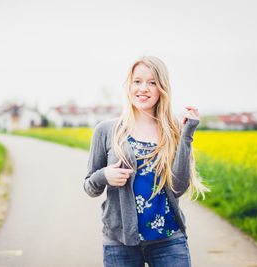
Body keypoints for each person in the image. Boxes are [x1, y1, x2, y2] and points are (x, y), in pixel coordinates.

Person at [83, 56, 210, 267]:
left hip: (168, 241)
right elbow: (90, 187)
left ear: (162, 88)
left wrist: (187, 134)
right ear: (128, 86)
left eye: (152, 82)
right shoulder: (106, 130)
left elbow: (178, 187)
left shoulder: (174, 130)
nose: (144, 88)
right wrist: (104, 175)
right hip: (120, 242)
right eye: (137, 81)